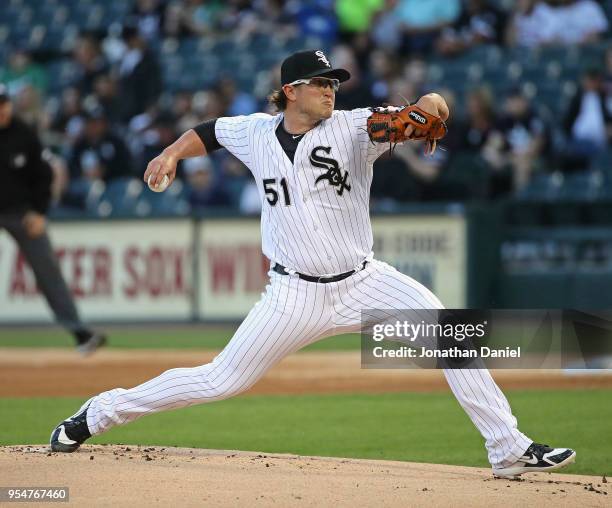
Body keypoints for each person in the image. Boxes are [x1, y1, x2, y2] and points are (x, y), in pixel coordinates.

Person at [49, 50, 575, 479]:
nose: (331, 89)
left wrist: (432, 106)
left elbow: (428, 107)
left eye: (334, 82)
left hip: (364, 281)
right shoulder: (255, 132)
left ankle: (508, 448)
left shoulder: (352, 128)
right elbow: (207, 132)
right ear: (291, 91)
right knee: (219, 379)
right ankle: (97, 413)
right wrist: (169, 154)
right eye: (320, 81)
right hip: (293, 295)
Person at [0, 84, 106, 355]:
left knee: (48, 269)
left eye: (4, 103)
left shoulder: (23, 134)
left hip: (21, 213)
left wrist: (39, 212)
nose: (2, 109)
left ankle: (80, 333)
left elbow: (44, 176)